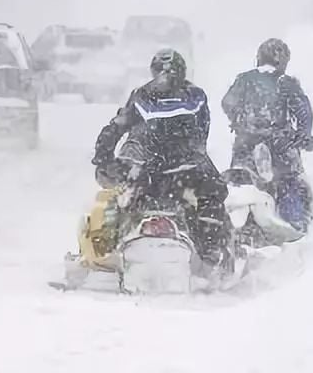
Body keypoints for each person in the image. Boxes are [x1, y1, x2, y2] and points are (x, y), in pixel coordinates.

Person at [91, 48, 232, 273]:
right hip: (187, 171)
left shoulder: (140, 95)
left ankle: (103, 250)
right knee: (214, 194)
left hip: (144, 170)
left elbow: (116, 127)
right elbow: (202, 134)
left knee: (117, 198)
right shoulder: (196, 96)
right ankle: (211, 250)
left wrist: (103, 158)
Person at [221, 38, 313, 234]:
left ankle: (234, 223)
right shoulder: (287, 83)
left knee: (239, 182)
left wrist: (239, 121)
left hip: (246, 144)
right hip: (281, 145)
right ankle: (295, 225)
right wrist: (304, 136)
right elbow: (304, 113)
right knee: (291, 182)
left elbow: (227, 103)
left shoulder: (244, 80)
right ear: (283, 61)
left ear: (259, 58)